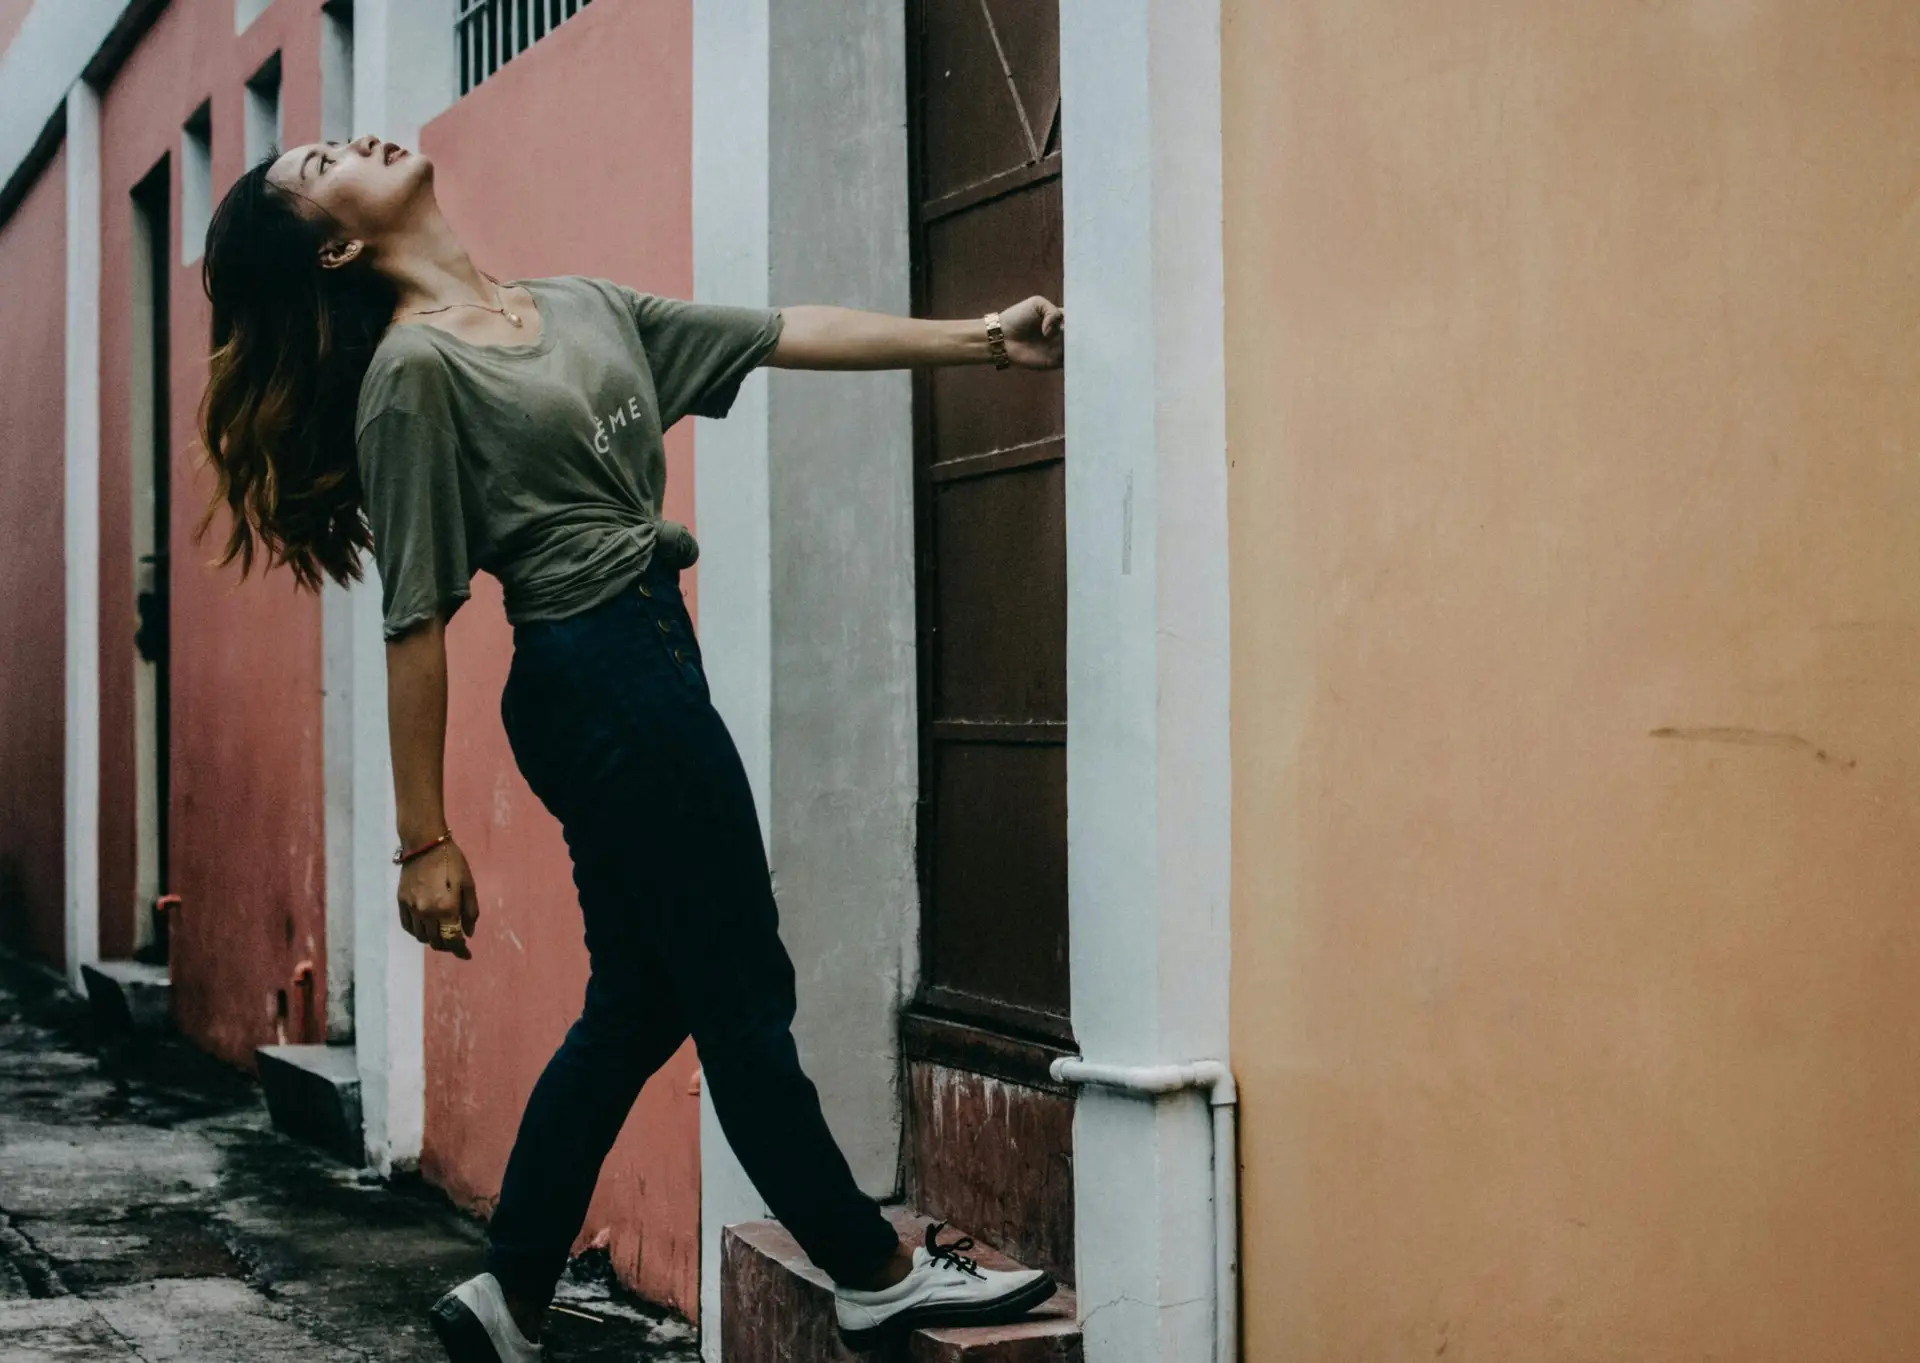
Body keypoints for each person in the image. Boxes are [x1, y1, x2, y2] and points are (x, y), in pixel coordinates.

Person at [194, 132, 1065, 1361]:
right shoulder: (413, 375)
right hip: (597, 678)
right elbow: (415, 623)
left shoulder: (574, 307)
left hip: (650, 660)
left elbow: (780, 332)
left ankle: (510, 1292)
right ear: (336, 244)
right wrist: (421, 841)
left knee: (641, 1001)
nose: (356, 140)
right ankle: (872, 1272)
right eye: (321, 162)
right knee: (742, 992)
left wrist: (986, 340)